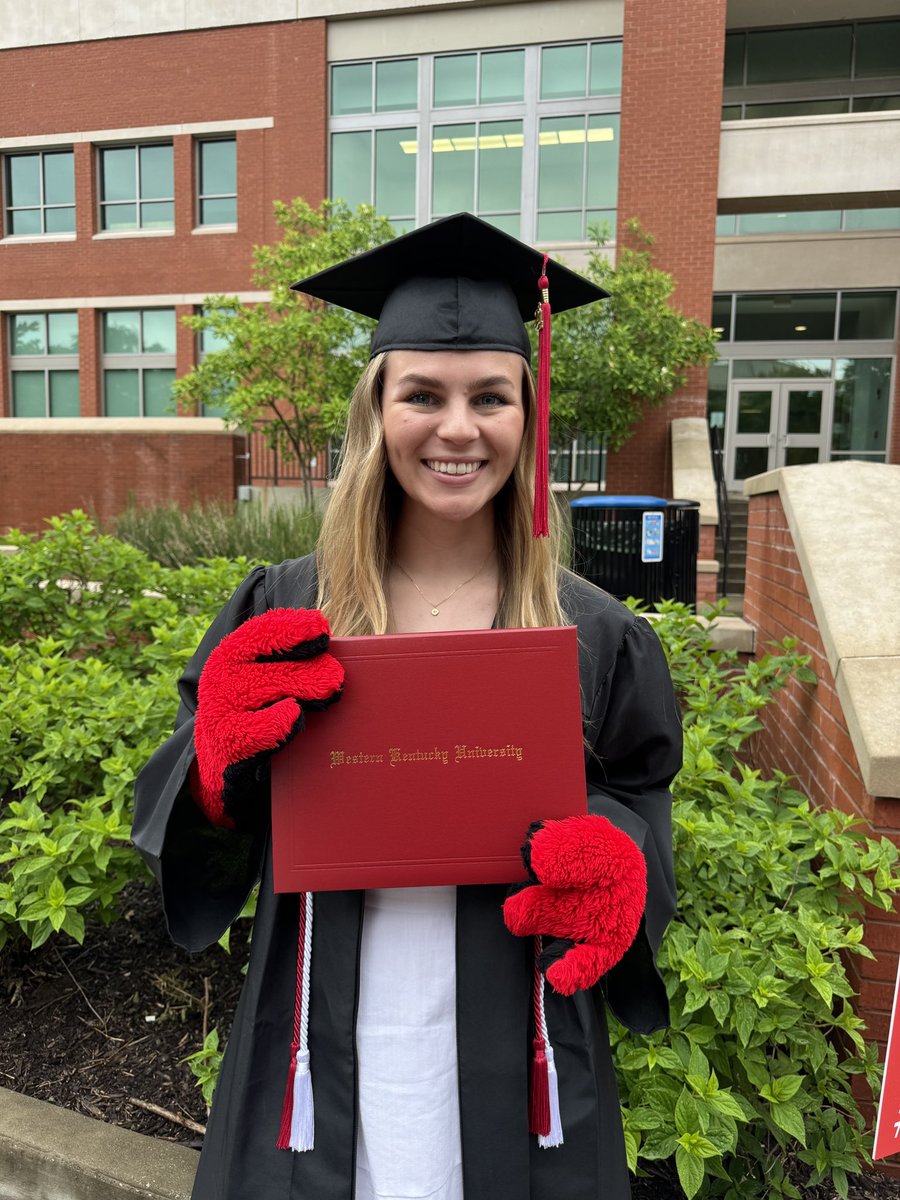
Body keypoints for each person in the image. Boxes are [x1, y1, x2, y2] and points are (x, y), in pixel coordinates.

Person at [132, 213, 683, 1200]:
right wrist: (215, 765)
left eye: (491, 398)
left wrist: (621, 863)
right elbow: (203, 813)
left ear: (529, 413)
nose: (458, 428)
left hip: (524, 1054)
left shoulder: (594, 634)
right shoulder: (287, 608)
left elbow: (642, 797)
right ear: (375, 413)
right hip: (316, 1037)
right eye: (422, 394)